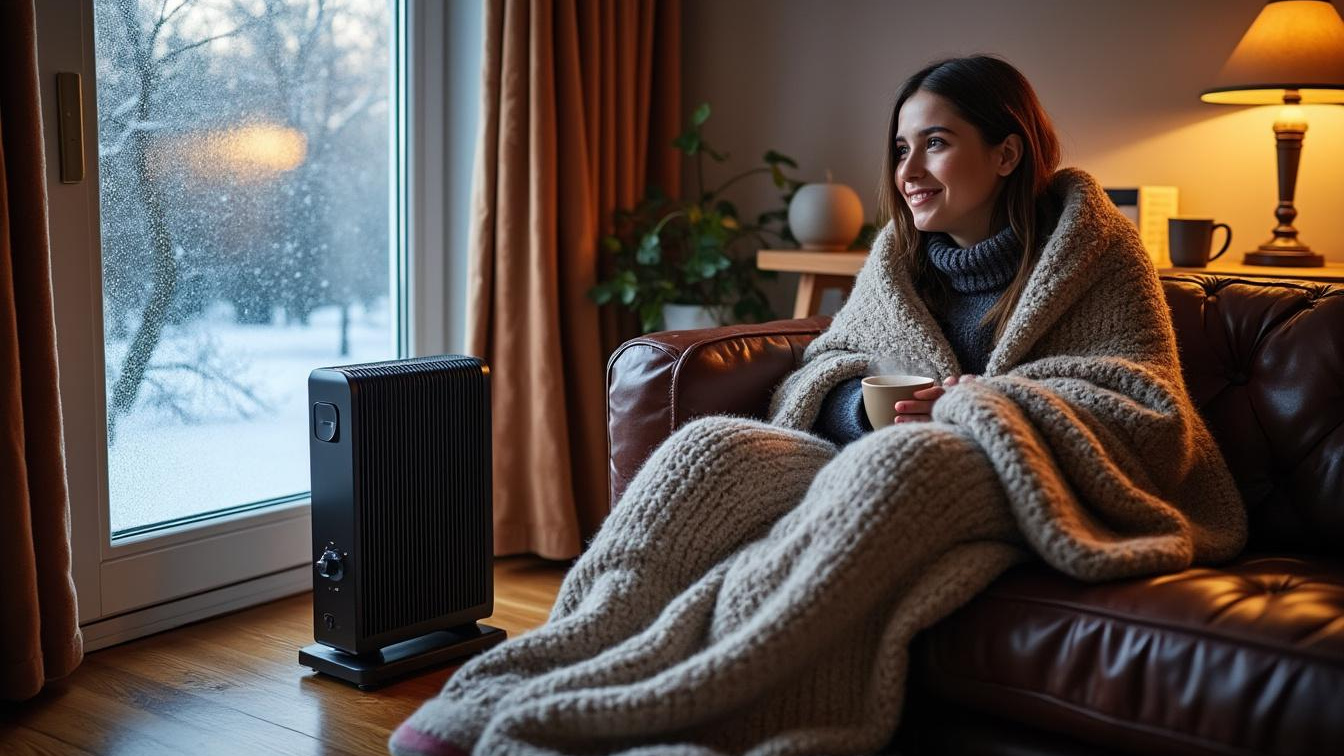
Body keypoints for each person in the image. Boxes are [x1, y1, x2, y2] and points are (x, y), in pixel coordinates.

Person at [393, 55, 1245, 756]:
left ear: (1009, 152)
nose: (907, 172)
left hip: (1035, 478)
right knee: (714, 450)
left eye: (936, 145)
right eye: (901, 147)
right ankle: (519, 680)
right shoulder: (895, 258)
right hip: (891, 452)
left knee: (908, 457)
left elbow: (1145, 406)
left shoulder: (1097, 251)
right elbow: (825, 365)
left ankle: (653, 712)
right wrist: (860, 412)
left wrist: (977, 406)